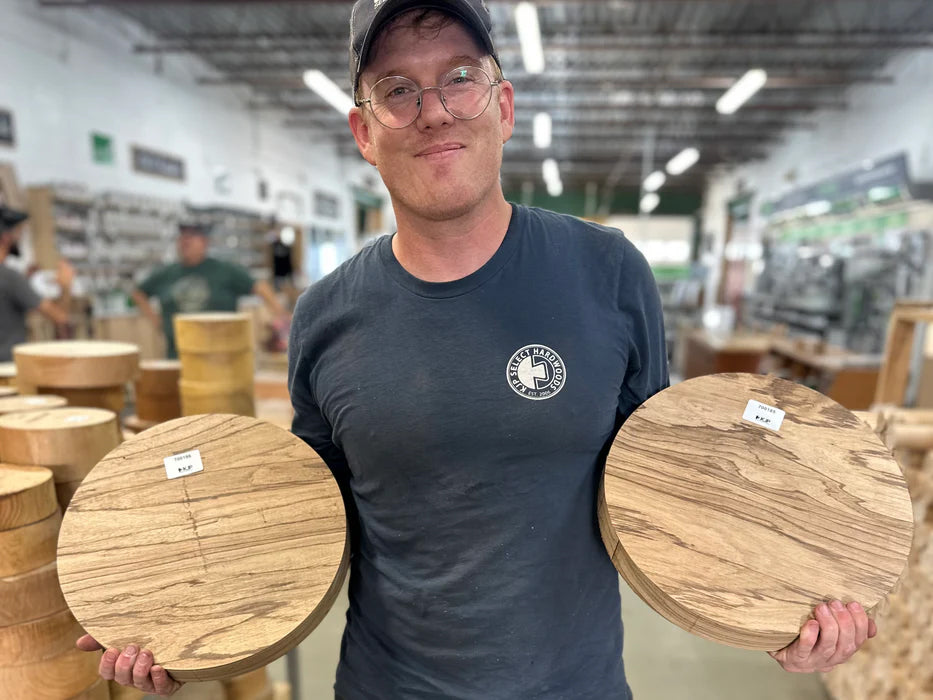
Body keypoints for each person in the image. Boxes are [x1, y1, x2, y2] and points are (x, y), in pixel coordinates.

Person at [81, 1, 876, 696]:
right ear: (363, 131)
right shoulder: (325, 314)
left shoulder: (608, 273)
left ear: (504, 105)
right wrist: (177, 621)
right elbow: (302, 517)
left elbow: (668, 485)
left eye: (459, 77)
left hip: (577, 685)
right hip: (387, 686)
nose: (432, 110)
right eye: (397, 90)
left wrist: (781, 604)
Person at [130, 222, 289, 358]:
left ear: (205, 242)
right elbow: (138, 293)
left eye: (192, 236)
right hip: (179, 353)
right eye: (183, 237)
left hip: (221, 354)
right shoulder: (167, 273)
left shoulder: (223, 270)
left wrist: (280, 316)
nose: (186, 241)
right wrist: (157, 321)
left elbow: (260, 287)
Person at [0, 205, 74, 361]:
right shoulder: (10, 278)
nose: (19, 237)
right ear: (6, 237)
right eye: (18, 232)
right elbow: (60, 317)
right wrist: (65, 286)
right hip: (7, 371)